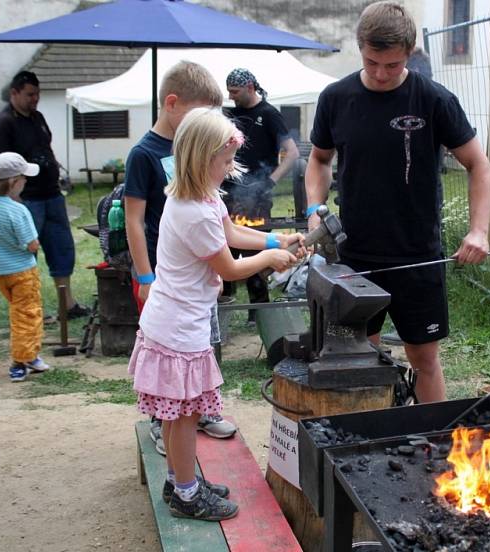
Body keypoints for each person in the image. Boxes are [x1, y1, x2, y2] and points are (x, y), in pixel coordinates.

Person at [305, 1, 490, 404]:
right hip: (354, 255)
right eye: (372, 62)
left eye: (391, 65)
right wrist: (312, 210)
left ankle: (436, 451)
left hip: (418, 254)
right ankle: (368, 442)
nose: (380, 73)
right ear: (361, 48)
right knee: (360, 356)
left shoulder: (434, 100)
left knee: (424, 358)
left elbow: (479, 164)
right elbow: (319, 160)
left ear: (409, 53)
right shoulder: (336, 98)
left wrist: (479, 229)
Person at [128, 107, 304, 520]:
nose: (229, 169)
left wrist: (276, 237)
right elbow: (228, 267)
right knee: (186, 415)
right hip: (179, 327)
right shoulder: (194, 211)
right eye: (224, 162)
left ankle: (179, 480)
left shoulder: (198, 196)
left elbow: (233, 233)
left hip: (172, 319)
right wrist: (271, 259)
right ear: (200, 158)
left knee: (175, 412)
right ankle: (187, 493)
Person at [123, 61, 234, 454]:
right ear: (172, 103)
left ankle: (198, 410)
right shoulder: (143, 154)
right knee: (170, 356)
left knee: (200, 346)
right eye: (201, 113)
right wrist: (145, 278)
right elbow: (134, 221)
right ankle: (164, 422)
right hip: (167, 276)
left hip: (196, 271)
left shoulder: (197, 146)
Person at [0, 71, 89, 319]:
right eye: (30, 94)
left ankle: (67, 304)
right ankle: (27, 307)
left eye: (38, 94)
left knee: (61, 249)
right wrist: (12, 200)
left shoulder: (37, 117)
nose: (35, 99)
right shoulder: (2, 124)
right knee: (25, 255)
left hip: (51, 194)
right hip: (26, 200)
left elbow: (45, 147)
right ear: (14, 93)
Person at [221, 68, 300, 321]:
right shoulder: (230, 114)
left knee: (256, 251)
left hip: (257, 195)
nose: (231, 97)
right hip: (228, 192)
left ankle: (259, 310)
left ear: (250, 88)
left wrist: (270, 181)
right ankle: (223, 303)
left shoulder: (268, 114)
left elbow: (293, 153)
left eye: (235, 92)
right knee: (224, 247)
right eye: (229, 92)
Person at [0, 152, 52, 382]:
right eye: (23, 177)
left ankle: (31, 355)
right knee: (27, 315)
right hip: (21, 270)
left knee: (18, 313)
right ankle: (20, 360)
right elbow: (31, 245)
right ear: (12, 182)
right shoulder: (18, 210)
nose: (26, 181)